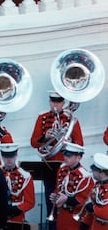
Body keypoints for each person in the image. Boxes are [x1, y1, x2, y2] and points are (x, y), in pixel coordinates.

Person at [30, 91, 84, 222]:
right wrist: (45, 137)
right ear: (49, 102)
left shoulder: (71, 120)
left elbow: (81, 144)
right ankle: (51, 228)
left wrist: (70, 141)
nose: (55, 104)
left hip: (66, 165)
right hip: (49, 164)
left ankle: (63, 227)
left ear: (63, 103)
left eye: (58, 102)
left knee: (65, 196)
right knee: (50, 197)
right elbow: (33, 142)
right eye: (53, 101)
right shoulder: (42, 118)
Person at [50, 143, 94, 230]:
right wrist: (55, 197)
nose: (66, 158)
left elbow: (84, 200)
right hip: (62, 217)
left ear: (79, 157)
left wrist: (66, 199)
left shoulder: (85, 176)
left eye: (70, 156)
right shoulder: (63, 169)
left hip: (74, 220)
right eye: (65, 155)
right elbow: (58, 187)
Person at [0, 144, 35, 230]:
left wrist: (16, 209)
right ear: (2, 157)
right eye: (6, 156)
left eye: (12, 156)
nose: (9, 159)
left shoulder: (25, 176)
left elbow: (30, 202)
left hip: (16, 218)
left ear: (16, 156)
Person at [78, 152, 108, 230]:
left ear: (102, 173)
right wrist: (84, 226)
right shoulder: (97, 186)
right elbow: (90, 210)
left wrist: (92, 207)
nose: (92, 172)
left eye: (94, 170)